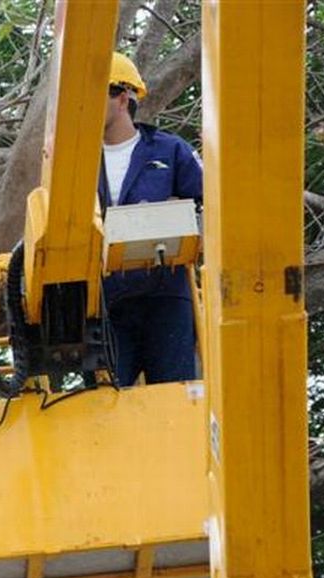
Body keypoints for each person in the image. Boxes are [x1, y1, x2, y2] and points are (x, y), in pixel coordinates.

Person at [99, 52, 203, 386]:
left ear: (122, 98)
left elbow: (209, 205)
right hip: (105, 303)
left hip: (166, 298)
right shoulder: (74, 161)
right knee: (107, 408)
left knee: (176, 400)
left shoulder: (169, 151)